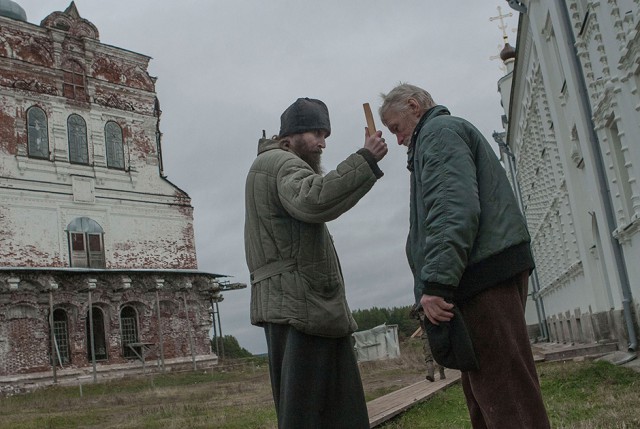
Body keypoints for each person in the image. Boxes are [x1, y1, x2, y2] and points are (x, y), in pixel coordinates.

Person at [379, 83, 550, 428]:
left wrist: (437, 283)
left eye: (396, 128)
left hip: (480, 276)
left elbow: (451, 210)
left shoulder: (439, 134)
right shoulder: (439, 136)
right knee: (485, 389)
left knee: (505, 392)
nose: (397, 139)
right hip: (477, 273)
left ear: (413, 106)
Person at [244, 97, 388, 429]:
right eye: (315, 134)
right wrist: (366, 159)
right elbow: (313, 200)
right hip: (303, 307)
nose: (322, 144)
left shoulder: (267, 164)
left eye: (325, 135)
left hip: (291, 304)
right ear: (289, 137)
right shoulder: (283, 163)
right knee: (321, 413)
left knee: (309, 411)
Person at [410, 303, 446, 382]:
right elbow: (412, 315)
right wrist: (417, 307)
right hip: (427, 334)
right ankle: (431, 375)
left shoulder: (431, 301)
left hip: (435, 332)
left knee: (438, 353)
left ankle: (442, 373)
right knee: (428, 355)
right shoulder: (419, 306)